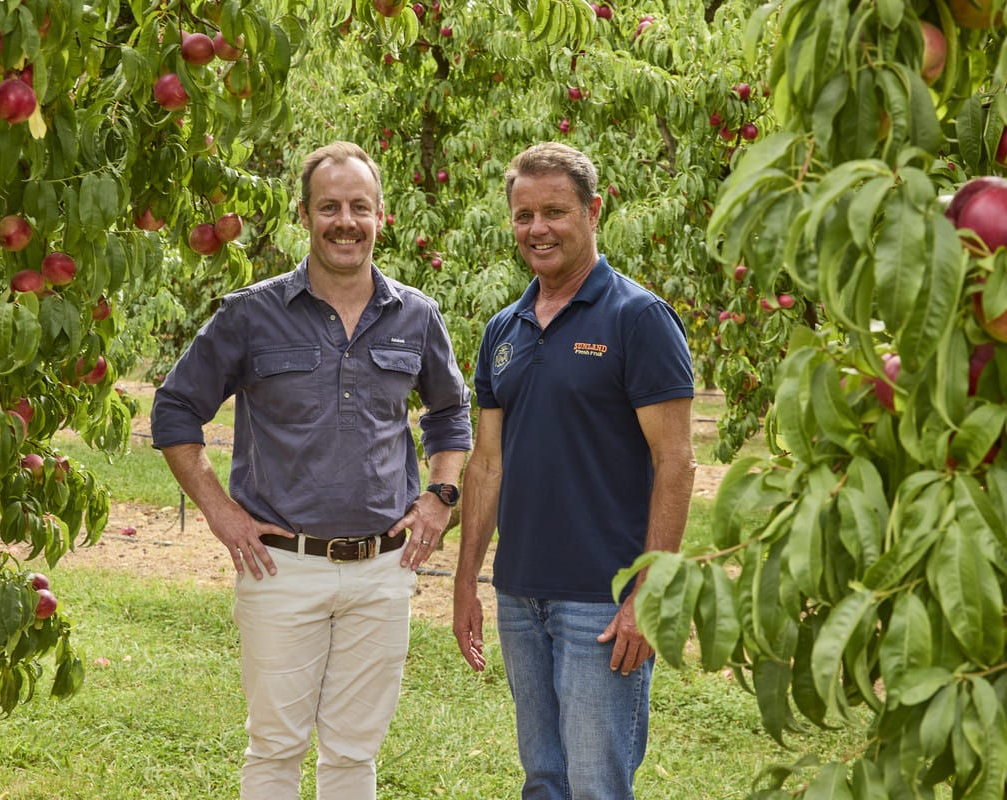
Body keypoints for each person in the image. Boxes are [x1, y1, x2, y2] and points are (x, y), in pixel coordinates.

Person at [150, 141, 472, 800]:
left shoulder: (417, 315)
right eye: (329, 207)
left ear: (381, 217)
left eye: (359, 207)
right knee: (275, 747)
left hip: (384, 570)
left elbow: (449, 413)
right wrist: (218, 509)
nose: (344, 221)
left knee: (354, 753)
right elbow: (175, 410)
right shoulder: (249, 314)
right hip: (280, 568)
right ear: (305, 215)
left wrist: (441, 496)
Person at [452, 142, 696, 800]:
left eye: (554, 212)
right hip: (519, 594)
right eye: (523, 215)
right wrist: (466, 580)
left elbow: (675, 461)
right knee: (543, 781)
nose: (537, 229)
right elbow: (486, 464)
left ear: (593, 211)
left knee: (595, 785)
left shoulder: (637, 318)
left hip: (601, 599)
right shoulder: (502, 328)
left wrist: (648, 592)